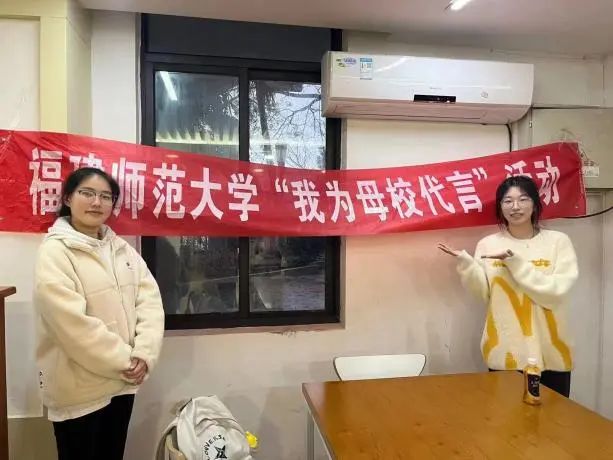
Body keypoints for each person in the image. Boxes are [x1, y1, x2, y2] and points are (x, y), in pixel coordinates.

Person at [33, 167, 165, 459]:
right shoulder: (55, 252)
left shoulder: (121, 249)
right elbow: (70, 324)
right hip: (79, 390)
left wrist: (143, 354)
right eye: (87, 193)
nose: (97, 202)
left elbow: (150, 302)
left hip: (122, 383)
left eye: (106, 196)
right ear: (68, 198)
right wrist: (124, 361)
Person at [438, 175, 578, 397]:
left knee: (555, 415)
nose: (515, 207)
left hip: (551, 350)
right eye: (508, 201)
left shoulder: (558, 241)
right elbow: (484, 294)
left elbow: (555, 293)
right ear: (500, 206)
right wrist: (466, 265)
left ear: (535, 203)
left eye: (523, 199)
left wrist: (515, 263)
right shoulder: (488, 244)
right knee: (504, 416)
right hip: (506, 350)